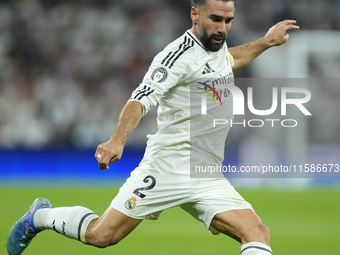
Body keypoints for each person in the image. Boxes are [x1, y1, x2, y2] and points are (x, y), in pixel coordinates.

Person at [7, 0, 299, 254]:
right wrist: (117, 140)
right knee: (102, 235)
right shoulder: (176, 57)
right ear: (195, 14)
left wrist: (265, 42)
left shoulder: (216, 48)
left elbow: (228, 61)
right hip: (167, 167)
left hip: (206, 172)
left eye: (228, 20)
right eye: (216, 19)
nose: (222, 28)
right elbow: (140, 99)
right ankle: (40, 217)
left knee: (257, 233)